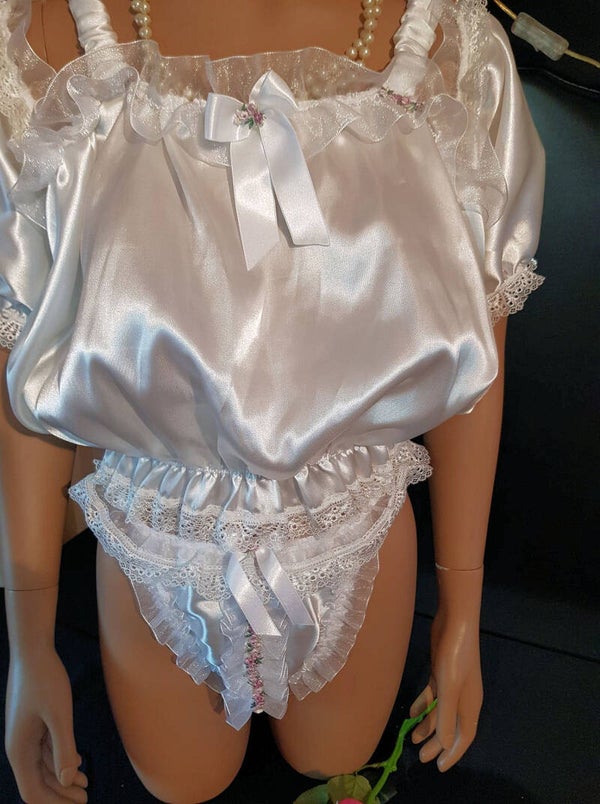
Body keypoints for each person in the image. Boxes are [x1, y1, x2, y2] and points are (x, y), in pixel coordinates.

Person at [0, 1, 544, 802]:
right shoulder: (46, 46)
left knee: (333, 759)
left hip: (354, 528)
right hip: (159, 538)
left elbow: (475, 351)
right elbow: (24, 355)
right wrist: (29, 640)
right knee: (180, 783)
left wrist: (462, 607)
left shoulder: (450, 50)